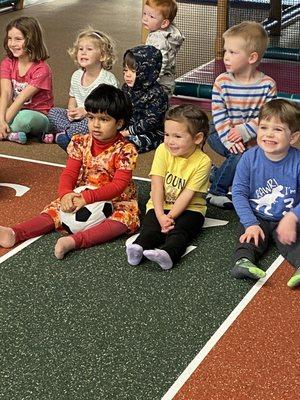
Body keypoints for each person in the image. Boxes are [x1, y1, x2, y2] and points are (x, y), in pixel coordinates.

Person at [0, 84, 140, 259]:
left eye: (104, 120)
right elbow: (69, 173)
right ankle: (15, 233)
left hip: (117, 199)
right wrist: (66, 194)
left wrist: (87, 198)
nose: (95, 125)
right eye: (91, 117)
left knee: (121, 221)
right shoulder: (80, 141)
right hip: (80, 192)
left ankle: (74, 241)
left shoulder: (125, 150)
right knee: (53, 211)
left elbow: (119, 185)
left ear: (119, 123)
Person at [126, 104, 212, 270]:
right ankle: (138, 248)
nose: (170, 141)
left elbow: (188, 194)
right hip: (159, 205)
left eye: (177, 136)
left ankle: (168, 255)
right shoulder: (162, 150)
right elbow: (157, 185)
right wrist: (160, 215)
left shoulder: (203, 162)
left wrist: (170, 217)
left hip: (191, 210)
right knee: (150, 229)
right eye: (167, 134)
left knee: (180, 232)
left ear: (197, 138)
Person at [206, 21, 277, 209]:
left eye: (233, 52)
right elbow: (219, 115)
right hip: (220, 133)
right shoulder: (221, 82)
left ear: (252, 57)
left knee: (258, 155)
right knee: (241, 154)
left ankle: (215, 173)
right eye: (225, 51)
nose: (226, 57)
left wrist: (245, 132)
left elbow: (267, 117)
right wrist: (232, 140)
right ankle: (216, 191)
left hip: (253, 136)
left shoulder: (268, 85)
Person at [231, 99, 300, 288]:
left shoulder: (298, 161)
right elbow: (238, 193)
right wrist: (250, 223)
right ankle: (243, 263)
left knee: (295, 241)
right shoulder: (248, 158)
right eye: (263, 127)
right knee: (247, 238)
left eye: (277, 129)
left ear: (293, 137)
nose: (269, 134)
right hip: (257, 216)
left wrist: (293, 217)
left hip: (288, 218)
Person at [48, 27, 119, 150]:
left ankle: (67, 137)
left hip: (96, 118)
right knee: (53, 112)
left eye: (89, 49)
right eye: (80, 49)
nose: (83, 52)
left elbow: (108, 107)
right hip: (76, 119)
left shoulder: (107, 80)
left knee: (90, 124)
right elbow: (73, 97)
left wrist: (86, 112)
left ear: (102, 56)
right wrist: (71, 111)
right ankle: (71, 135)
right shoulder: (76, 75)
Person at [0, 16, 53, 145]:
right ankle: (10, 133)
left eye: (18, 39)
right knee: (6, 115)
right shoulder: (7, 63)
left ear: (31, 40)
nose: (12, 44)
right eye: (10, 38)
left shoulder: (42, 70)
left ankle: (6, 132)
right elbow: (6, 93)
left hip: (39, 115)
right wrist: (1, 119)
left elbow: (20, 99)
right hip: (15, 109)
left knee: (24, 120)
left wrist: (2, 122)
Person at [121, 44, 168, 153]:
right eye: (125, 70)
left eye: (133, 71)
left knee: (125, 145)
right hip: (127, 127)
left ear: (146, 71)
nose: (127, 75)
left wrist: (128, 132)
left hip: (152, 132)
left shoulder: (157, 94)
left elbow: (151, 121)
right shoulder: (126, 88)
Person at [142, 0, 184, 97]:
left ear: (164, 23)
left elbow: (160, 61)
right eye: (145, 14)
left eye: (151, 16)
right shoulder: (167, 32)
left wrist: (151, 80)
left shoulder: (159, 39)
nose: (145, 18)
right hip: (166, 81)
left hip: (159, 83)